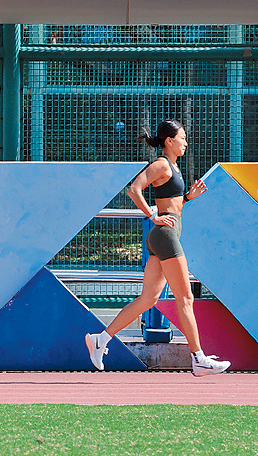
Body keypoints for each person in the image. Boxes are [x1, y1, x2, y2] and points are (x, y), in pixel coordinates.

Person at [85, 120, 231, 377]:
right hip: (164, 235)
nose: (186, 142)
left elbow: (170, 201)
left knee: (148, 299)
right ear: (169, 141)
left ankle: (101, 339)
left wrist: (187, 198)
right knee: (185, 298)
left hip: (162, 236)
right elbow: (134, 189)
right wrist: (153, 216)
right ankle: (198, 358)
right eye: (182, 138)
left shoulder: (172, 167)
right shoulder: (161, 164)